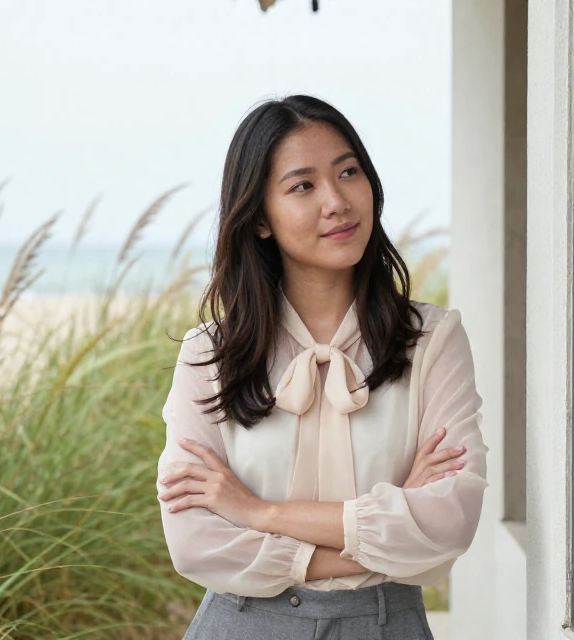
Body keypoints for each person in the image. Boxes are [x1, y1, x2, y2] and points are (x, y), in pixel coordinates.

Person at [156, 95, 488, 639]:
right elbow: (194, 543)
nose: (337, 201)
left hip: (386, 627)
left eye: (349, 172)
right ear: (261, 218)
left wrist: (257, 512)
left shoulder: (432, 341)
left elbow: (451, 520)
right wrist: (391, 531)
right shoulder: (208, 354)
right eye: (303, 186)